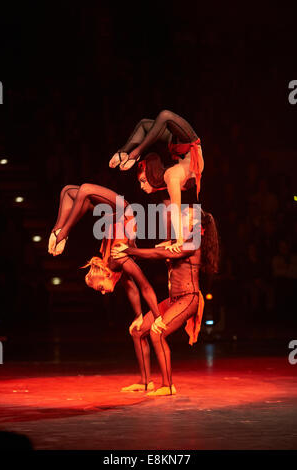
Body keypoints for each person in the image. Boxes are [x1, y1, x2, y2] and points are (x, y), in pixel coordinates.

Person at [112, 207, 219, 397]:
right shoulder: (177, 242)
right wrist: (129, 250)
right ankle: (145, 383)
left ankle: (168, 385)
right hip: (174, 300)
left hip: (189, 298)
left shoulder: (194, 243)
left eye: (189, 218)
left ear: (199, 227)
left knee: (157, 332)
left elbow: (158, 254)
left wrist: (128, 250)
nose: (184, 219)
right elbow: (153, 251)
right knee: (138, 331)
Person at [48, 184, 162, 346]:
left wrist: (157, 317)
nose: (103, 293)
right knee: (70, 192)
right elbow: (137, 288)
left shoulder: (115, 261)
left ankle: (61, 232)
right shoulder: (117, 266)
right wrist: (140, 315)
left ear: (106, 274)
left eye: (100, 288)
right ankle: (60, 231)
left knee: (74, 191)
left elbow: (142, 287)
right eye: (101, 289)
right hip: (117, 212)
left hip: (117, 211)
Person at [109, 110, 204, 250]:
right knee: (153, 121)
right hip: (184, 145)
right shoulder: (169, 180)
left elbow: (175, 209)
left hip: (185, 144)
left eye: (142, 180)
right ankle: (128, 152)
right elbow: (169, 212)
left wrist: (178, 241)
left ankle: (131, 152)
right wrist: (170, 240)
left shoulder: (170, 176)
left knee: (155, 119)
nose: (141, 187)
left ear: (152, 176)